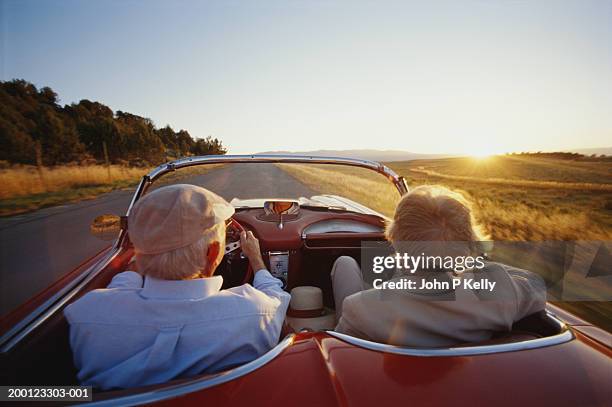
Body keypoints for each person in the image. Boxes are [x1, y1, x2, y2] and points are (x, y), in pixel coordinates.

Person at [65, 184, 290, 390]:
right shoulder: (256, 313)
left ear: (138, 251)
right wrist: (255, 258)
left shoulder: (86, 314)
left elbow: (120, 291)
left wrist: (141, 260)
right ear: (212, 254)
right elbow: (276, 295)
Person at [331, 185, 546, 347]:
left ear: (394, 237)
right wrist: (473, 264)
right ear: (470, 241)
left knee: (345, 264)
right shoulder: (498, 297)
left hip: (395, 374)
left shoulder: (359, 308)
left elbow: (340, 344)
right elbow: (535, 284)